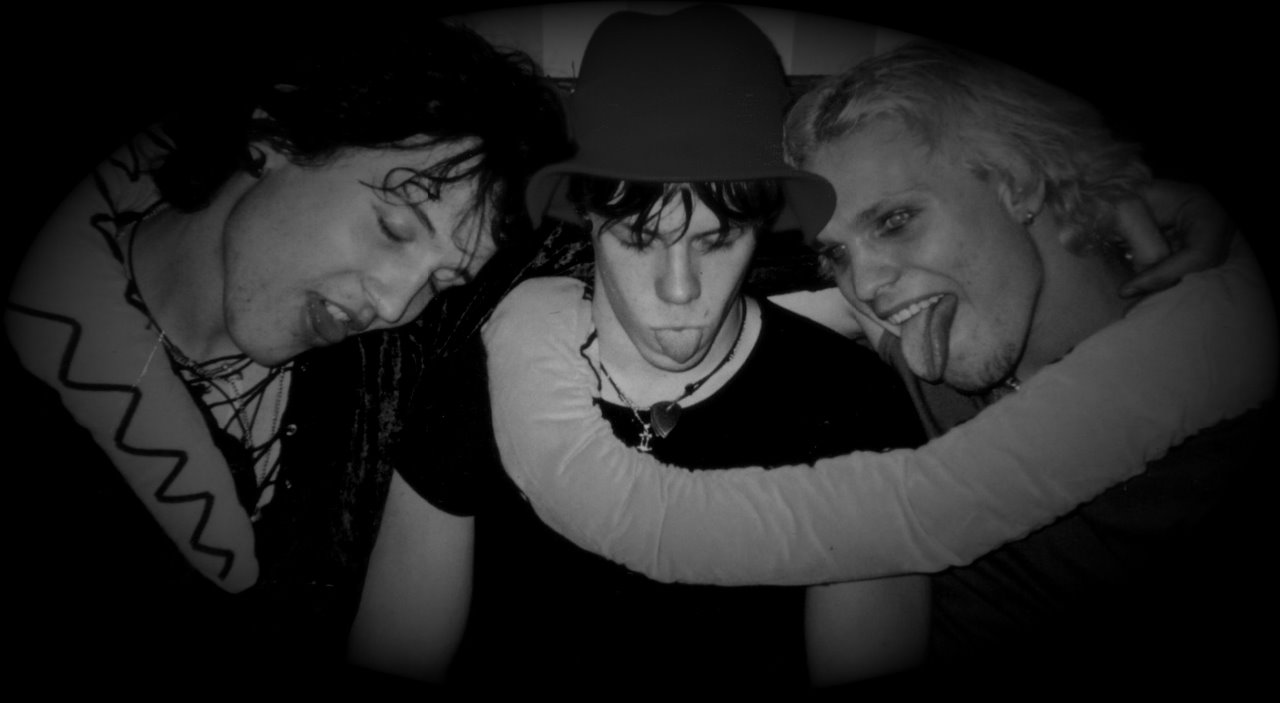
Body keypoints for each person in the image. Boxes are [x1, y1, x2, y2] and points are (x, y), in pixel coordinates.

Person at [478, 13, 1275, 689]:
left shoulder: (1217, 391)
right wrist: (533, 312)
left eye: (896, 221)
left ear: (1018, 179)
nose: (868, 285)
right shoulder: (923, 350)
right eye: (837, 254)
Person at [5, 22, 567, 690]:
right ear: (274, 140)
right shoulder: (44, 360)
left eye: (442, 280)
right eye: (393, 229)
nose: (393, 304)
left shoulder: (397, 373)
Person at [394, 6, 930, 692]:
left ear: (762, 226)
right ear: (586, 215)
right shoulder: (475, 380)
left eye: (718, 239)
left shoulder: (852, 406)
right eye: (639, 239)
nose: (680, 290)